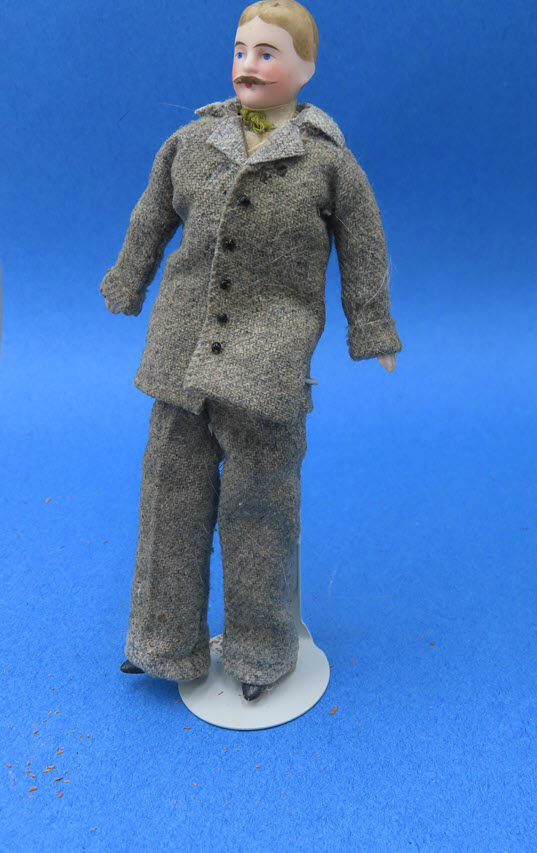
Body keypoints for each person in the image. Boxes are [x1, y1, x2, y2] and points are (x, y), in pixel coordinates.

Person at [101, 0, 401, 701]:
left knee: (262, 513)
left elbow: (363, 247)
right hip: (181, 358)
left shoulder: (327, 162)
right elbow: (150, 218)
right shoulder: (190, 143)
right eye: (240, 50)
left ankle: (260, 652)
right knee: (168, 498)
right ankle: (161, 641)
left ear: (307, 67)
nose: (248, 64)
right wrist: (127, 281)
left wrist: (372, 328)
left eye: (267, 52)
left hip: (269, 366)